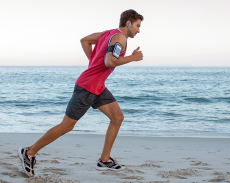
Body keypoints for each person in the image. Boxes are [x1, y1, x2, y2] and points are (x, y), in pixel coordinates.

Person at [18, 9, 144, 177]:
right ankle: (29, 152)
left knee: (117, 118)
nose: (138, 30)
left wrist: (93, 63)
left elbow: (84, 41)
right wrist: (132, 58)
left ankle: (104, 160)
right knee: (67, 126)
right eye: (137, 25)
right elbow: (110, 61)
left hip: (98, 86)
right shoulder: (120, 38)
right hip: (87, 87)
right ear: (128, 23)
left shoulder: (107, 33)